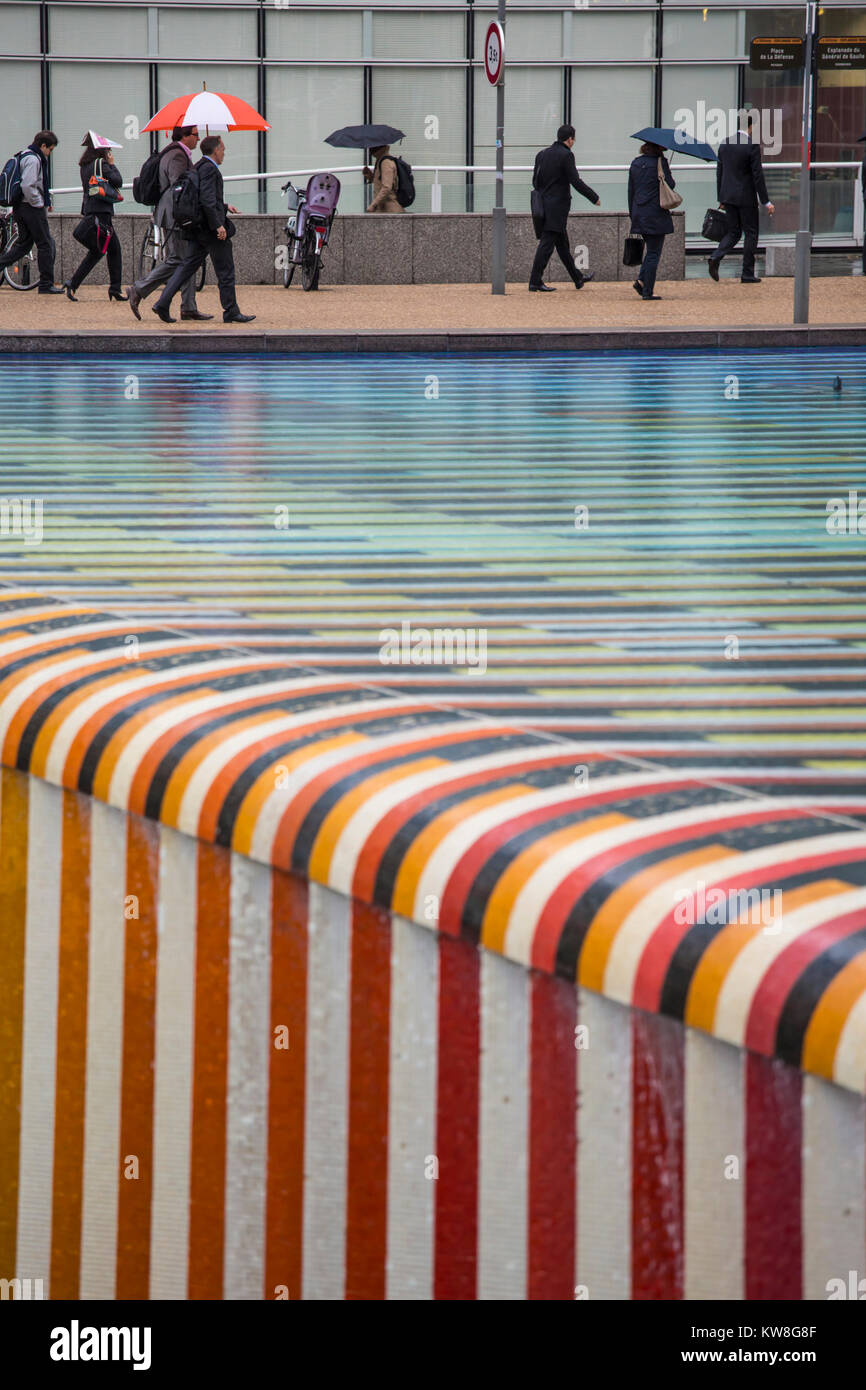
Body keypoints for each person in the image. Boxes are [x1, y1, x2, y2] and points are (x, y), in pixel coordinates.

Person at [151, 135, 254, 324]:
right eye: (223, 149)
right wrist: (218, 225)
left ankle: (162, 303)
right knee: (226, 270)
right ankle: (231, 310)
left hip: (198, 229)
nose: (224, 152)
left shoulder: (197, 166)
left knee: (186, 267)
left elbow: (205, 197)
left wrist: (224, 205)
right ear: (215, 150)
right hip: (210, 230)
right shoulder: (210, 169)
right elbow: (206, 200)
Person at [127, 125, 212, 321]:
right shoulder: (177, 156)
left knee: (187, 259)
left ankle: (188, 307)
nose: (198, 139)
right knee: (178, 259)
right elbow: (179, 186)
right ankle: (138, 289)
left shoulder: (176, 153)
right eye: (195, 135)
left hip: (173, 214)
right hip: (175, 216)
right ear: (184, 136)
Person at [528, 124, 599, 292]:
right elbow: (575, 181)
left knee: (562, 244)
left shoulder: (542, 154)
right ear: (569, 139)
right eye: (574, 139)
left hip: (543, 206)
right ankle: (535, 281)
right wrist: (593, 197)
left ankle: (578, 278)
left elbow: (535, 181)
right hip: (557, 208)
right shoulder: (566, 155)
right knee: (546, 245)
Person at [709, 119, 774, 284]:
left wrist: (721, 198)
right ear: (751, 127)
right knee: (751, 233)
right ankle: (747, 273)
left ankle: (716, 256)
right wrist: (766, 201)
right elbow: (757, 175)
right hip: (746, 197)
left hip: (728, 196)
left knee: (733, 232)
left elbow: (720, 173)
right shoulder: (751, 146)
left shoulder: (725, 144)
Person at [63, 137, 126, 301]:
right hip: (102, 212)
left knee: (112, 249)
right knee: (100, 251)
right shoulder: (102, 164)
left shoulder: (85, 166)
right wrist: (111, 163)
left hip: (92, 211)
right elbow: (118, 181)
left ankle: (114, 288)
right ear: (102, 150)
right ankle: (74, 283)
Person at [0, 130, 62, 293]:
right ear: (43, 145)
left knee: (23, 245)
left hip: (20, 207)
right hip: (31, 208)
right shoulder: (33, 160)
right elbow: (28, 185)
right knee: (45, 244)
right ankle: (45, 284)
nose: (49, 154)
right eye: (50, 149)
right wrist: (39, 202)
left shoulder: (23, 155)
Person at [627, 140, 677, 301]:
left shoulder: (636, 163)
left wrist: (632, 213)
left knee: (650, 252)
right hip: (656, 214)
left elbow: (631, 190)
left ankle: (641, 281)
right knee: (653, 253)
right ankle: (647, 290)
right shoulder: (660, 163)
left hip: (639, 212)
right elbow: (670, 185)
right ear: (658, 147)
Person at [363, 145, 403, 213]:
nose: (370, 150)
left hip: (389, 209)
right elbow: (381, 181)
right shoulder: (380, 160)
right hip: (383, 208)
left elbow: (387, 187)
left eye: (372, 148)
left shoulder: (386, 162)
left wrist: (373, 204)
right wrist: (370, 176)